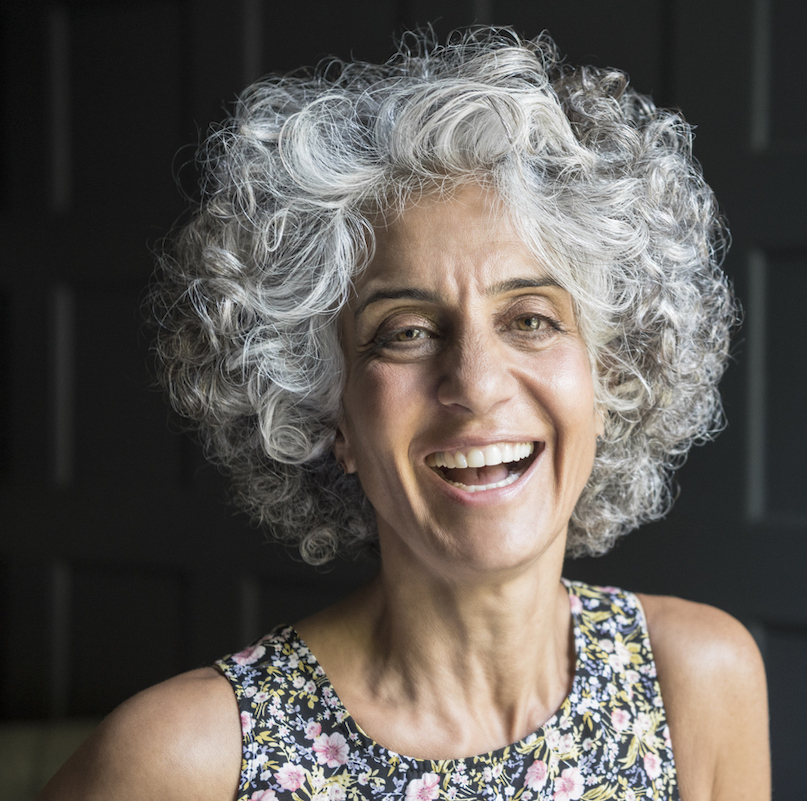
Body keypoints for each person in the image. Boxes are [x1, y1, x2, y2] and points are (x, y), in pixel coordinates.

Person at [40, 28, 769, 801]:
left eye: (531, 319)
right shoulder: (186, 757)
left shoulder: (696, 680)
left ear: (609, 372)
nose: (477, 385)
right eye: (406, 332)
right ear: (329, 412)